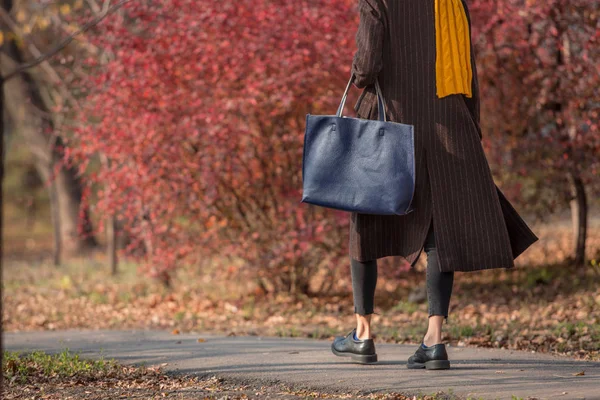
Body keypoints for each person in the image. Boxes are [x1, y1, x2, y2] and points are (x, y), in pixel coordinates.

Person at [330, 0, 539, 370]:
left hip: (391, 120)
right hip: (449, 120)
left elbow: (366, 67)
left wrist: (360, 74)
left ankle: (363, 334)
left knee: (366, 217)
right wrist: (472, 127)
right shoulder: (451, 2)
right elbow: (468, 72)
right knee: (440, 225)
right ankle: (434, 339)